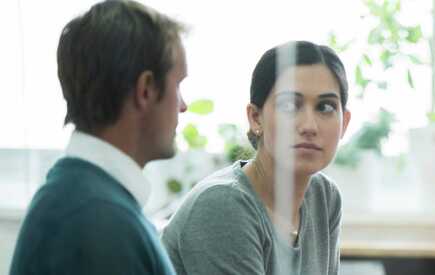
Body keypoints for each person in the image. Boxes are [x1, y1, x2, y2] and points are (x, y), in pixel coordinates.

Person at [9, 1, 188, 274]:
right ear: (146, 89)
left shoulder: (81, 197)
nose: (183, 105)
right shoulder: (100, 221)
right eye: (178, 85)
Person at [161, 41, 350, 275]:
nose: (309, 126)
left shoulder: (324, 196)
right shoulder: (222, 204)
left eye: (325, 107)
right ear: (256, 118)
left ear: (345, 123)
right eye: (290, 105)